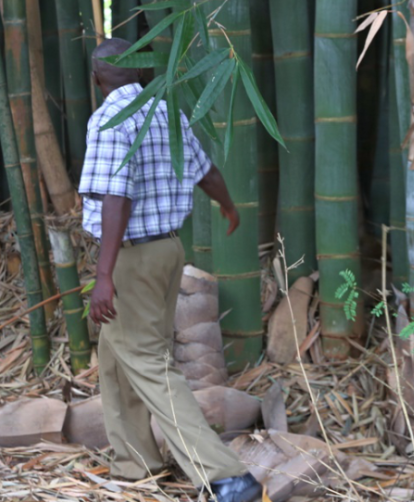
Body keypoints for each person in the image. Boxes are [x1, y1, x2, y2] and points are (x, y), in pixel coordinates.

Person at [80, 38, 263, 502]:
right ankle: (135, 463)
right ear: (139, 73)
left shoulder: (109, 119)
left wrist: (104, 275)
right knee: (116, 356)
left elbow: (115, 198)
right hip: (168, 252)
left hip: (131, 257)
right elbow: (205, 170)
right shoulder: (165, 112)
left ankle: (225, 476)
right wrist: (227, 205)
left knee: (146, 361)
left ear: (97, 80)